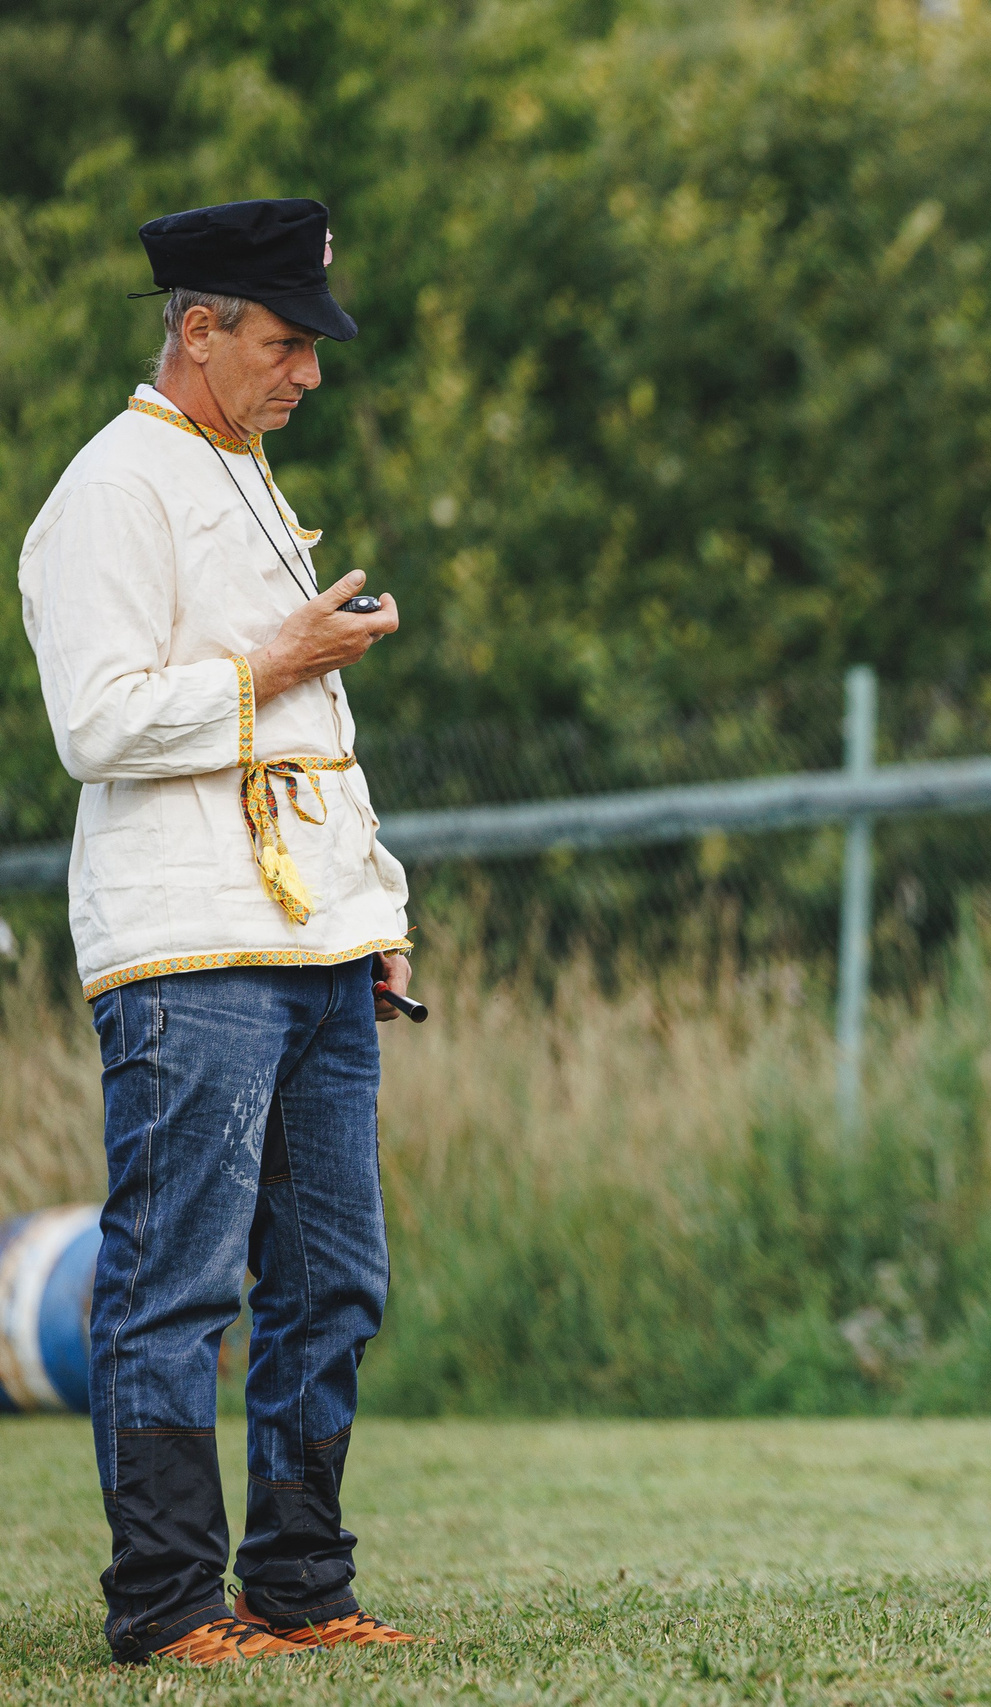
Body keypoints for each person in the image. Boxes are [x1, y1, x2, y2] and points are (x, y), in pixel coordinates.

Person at [17, 198, 428, 1666]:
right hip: (189, 939)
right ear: (197, 329)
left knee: (333, 1275)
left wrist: (375, 906)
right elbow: (96, 723)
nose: (308, 368)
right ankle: (170, 1604)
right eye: (282, 339)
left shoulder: (241, 473)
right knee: (176, 1276)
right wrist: (275, 657)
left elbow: (316, 730)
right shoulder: (110, 489)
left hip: (313, 937)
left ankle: (301, 1585)